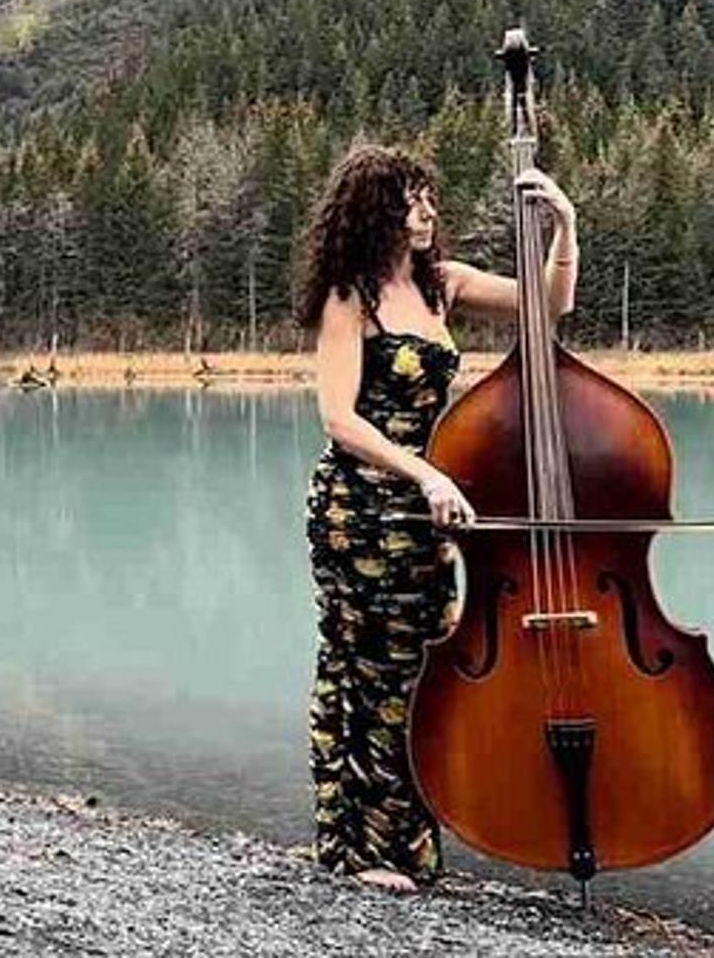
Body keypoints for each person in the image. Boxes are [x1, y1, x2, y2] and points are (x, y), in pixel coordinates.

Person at [294, 142, 578, 893]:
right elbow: (339, 419)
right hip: (361, 507)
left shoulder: (441, 284)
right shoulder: (348, 295)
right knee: (368, 669)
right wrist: (424, 472)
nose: (427, 212)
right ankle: (357, 852)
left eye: (429, 198)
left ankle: (410, 849)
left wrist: (565, 230)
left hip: (425, 507)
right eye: (412, 199)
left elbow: (546, 305)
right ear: (375, 209)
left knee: (420, 670)